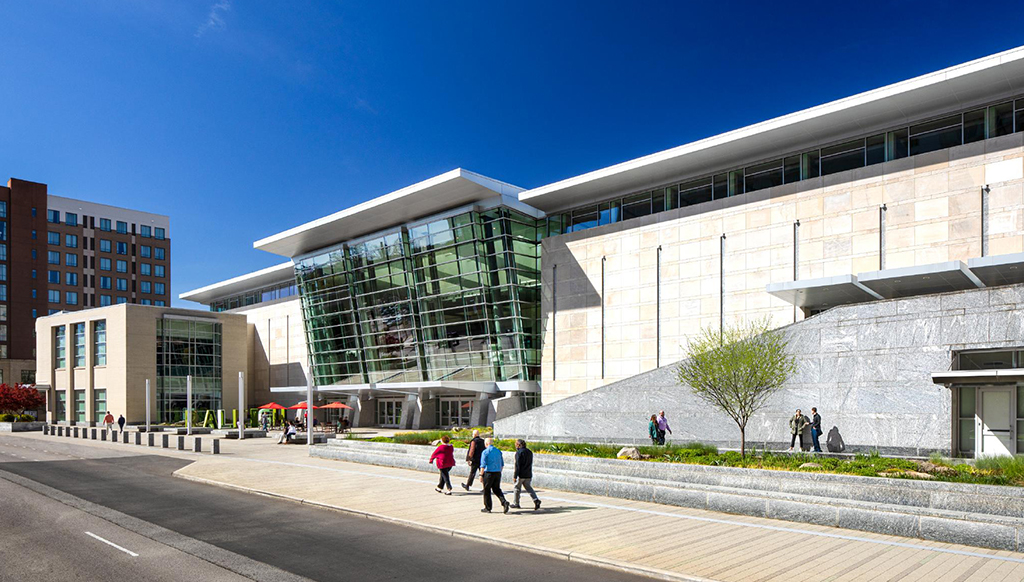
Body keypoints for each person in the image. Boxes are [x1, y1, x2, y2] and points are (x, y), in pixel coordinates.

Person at [478, 437, 510, 514]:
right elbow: (502, 464)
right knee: (497, 489)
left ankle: (488, 507)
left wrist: (480, 474)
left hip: (489, 473)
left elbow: (483, 465)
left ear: (486, 444)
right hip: (497, 472)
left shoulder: (485, 452)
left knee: (487, 490)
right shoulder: (498, 451)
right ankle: (504, 502)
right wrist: (499, 472)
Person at [511, 439, 541, 510]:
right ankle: (536, 499)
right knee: (529, 488)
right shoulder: (529, 452)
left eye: (516, 444)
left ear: (518, 445)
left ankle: (516, 503)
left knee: (517, 488)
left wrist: (515, 476)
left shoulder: (519, 453)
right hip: (528, 474)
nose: (515, 445)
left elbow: (517, 465)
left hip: (521, 474)